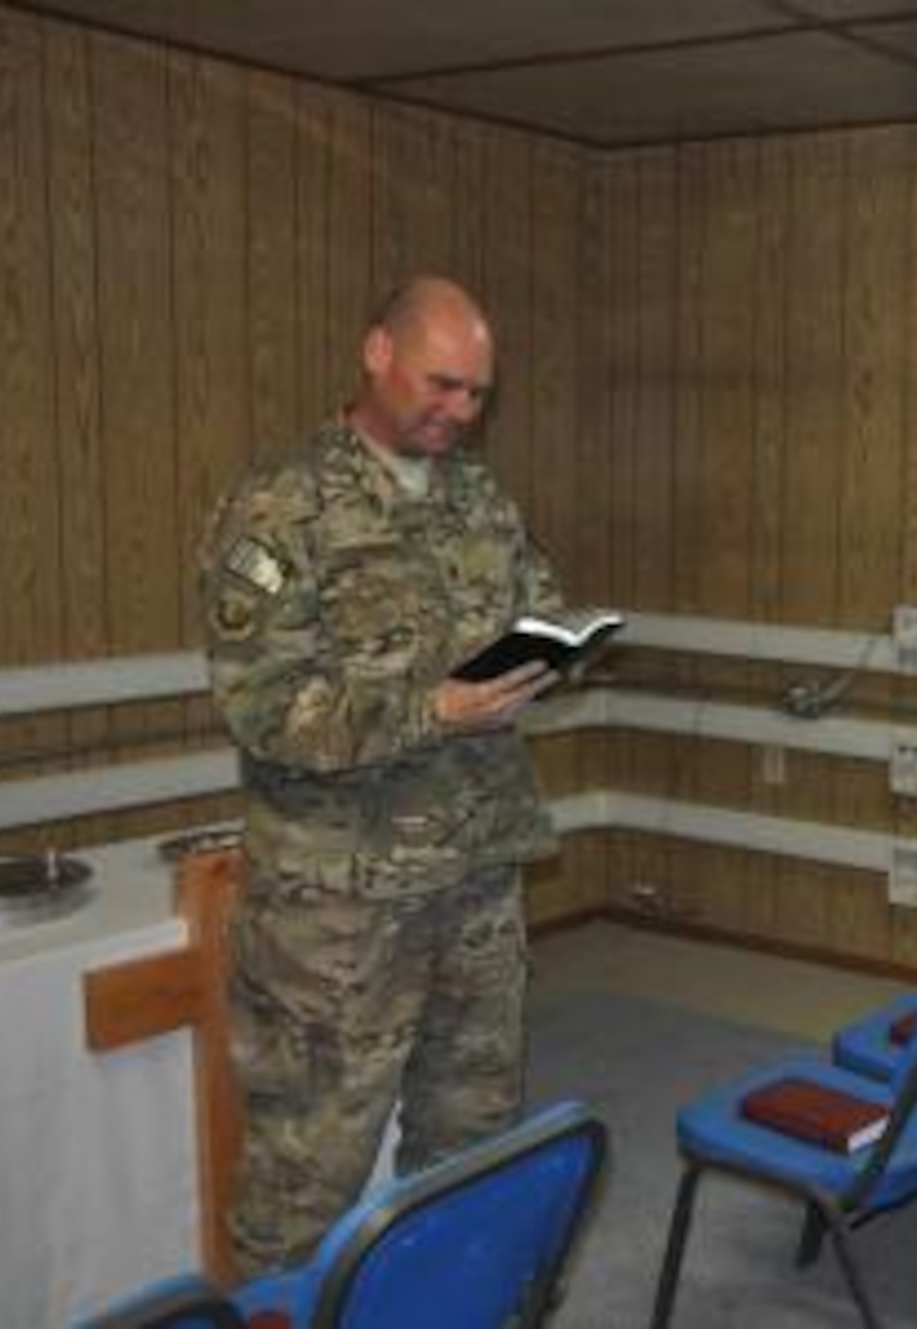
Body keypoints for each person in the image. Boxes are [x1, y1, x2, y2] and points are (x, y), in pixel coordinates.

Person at [198, 276, 568, 1273]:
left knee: (472, 1147)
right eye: (442, 385)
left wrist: (548, 654)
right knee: (307, 1177)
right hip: (340, 911)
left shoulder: (479, 497)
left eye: (477, 395)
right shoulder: (280, 505)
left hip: (477, 878)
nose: (459, 412)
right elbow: (262, 705)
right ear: (375, 353)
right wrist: (430, 708)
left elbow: (538, 600)